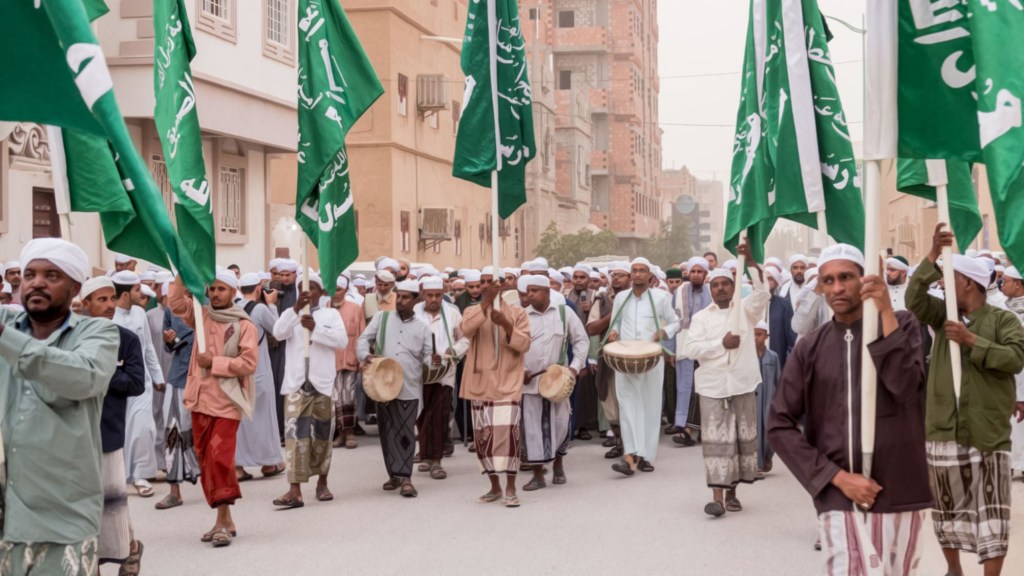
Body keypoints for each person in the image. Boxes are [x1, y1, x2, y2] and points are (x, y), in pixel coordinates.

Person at [770, 243, 932, 575]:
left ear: (865, 279)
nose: (838, 288)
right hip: (839, 495)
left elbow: (904, 388)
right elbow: (778, 424)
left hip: (900, 489)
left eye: (846, 277)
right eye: (828, 280)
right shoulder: (810, 348)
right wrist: (837, 478)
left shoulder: (901, 324)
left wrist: (885, 311)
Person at [906, 225, 1024, 576]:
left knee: (993, 515)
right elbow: (914, 297)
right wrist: (931, 254)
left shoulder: (1005, 319)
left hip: (988, 432)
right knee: (946, 512)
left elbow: (1016, 358)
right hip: (945, 429)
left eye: (947, 278)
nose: (941, 284)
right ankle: (954, 570)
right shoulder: (943, 316)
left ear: (968, 283)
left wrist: (972, 340)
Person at [0, 239, 119, 574]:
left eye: (52, 275)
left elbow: (83, 377)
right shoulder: (6, 324)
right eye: (30, 274)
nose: (37, 282)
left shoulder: (99, 333)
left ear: (75, 287)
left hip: (61, 518)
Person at [168, 270, 259, 548]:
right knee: (206, 459)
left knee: (220, 458)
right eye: (213, 289)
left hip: (227, 402)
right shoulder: (202, 314)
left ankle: (221, 521)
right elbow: (176, 304)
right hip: (199, 399)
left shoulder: (244, 326)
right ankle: (225, 518)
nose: (216, 294)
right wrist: (184, 271)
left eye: (222, 289)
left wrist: (214, 362)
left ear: (233, 292)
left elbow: (248, 363)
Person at [681, 241, 769, 516]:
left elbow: (763, 293)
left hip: (742, 383)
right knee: (717, 442)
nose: (720, 288)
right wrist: (722, 344)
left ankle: (733, 494)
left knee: (741, 442)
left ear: (733, 287)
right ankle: (717, 498)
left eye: (725, 284)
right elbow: (690, 349)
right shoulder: (700, 318)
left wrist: (751, 261)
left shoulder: (744, 310)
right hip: (712, 387)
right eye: (715, 284)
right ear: (710, 289)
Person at [81, 276, 147, 574]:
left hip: (108, 433)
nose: (109, 306)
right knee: (83, 506)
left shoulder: (127, 339)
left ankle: (130, 549)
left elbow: (135, 384)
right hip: (73, 435)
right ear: (85, 304)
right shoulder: (70, 338)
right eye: (101, 299)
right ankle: (90, 564)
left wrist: (104, 373)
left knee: (112, 503)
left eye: (111, 299)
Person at [272, 272, 348, 508]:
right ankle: (294, 490)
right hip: (296, 383)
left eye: (313, 287)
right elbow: (278, 333)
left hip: (322, 384)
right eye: (303, 288)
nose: (308, 292)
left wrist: (316, 329)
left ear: (321, 292)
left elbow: (341, 342)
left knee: (323, 435)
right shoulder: (290, 313)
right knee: (295, 437)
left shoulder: (331, 314)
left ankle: (322, 483)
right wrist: (295, 311)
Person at [357, 280, 434, 498]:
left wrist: (435, 361)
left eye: (406, 297)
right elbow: (364, 339)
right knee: (387, 430)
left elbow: (428, 357)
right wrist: (366, 356)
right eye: (398, 296)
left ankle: (406, 478)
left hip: (409, 385)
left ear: (416, 300)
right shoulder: (382, 318)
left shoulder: (422, 328)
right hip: (382, 385)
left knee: (406, 432)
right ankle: (393, 474)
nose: (400, 301)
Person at [459, 281, 531, 506]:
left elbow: (524, 343)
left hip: (508, 382)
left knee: (509, 438)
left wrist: (507, 325)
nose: (491, 286)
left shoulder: (518, 312)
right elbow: (466, 330)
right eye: (486, 283)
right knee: (484, 439)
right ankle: (494, 486)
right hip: (480, 382)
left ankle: (511, 487)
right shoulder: (472, 310)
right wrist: (487, 302)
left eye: (495, 283)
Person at [606, 257, 680, 475]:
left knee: (650, 406)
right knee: (627, 406)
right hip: (625, 360)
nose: (638, 274)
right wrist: (614, 332)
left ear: (650, 275)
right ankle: (630, 455)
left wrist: (664, 332)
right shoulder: (621, 298)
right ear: (631, 275)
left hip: (651, 359)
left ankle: (646, 456)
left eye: (642, 270)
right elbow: (615, 323)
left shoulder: (661, 298)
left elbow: (676, 321)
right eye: (634, 270)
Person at [520, 276, 589, 492]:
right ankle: (538, 474)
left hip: (558, 381)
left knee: (560, 425)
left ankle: (558, 463)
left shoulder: (563, 312)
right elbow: (511, 349)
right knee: (531, 429)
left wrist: (575, 367)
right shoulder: (521, 316)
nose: (529, 294)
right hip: (530, 383)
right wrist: (520, 371)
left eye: (534, 290)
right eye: (527, 290)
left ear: (547, 292)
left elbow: (581, 340)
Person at [110, 270, 166, 499]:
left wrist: (158, 376)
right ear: (125, 294)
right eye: (136, 289)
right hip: (114, 382)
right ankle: (120, 477)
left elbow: (148, 347)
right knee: (122, 430)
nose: (141, 293)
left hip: (140, 381)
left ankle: (141, 475)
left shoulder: (140, 313)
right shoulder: (108, 315)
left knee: (144, 428)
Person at [414, 276, 469, 479]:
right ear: (423, 294)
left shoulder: (452, 313)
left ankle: (436, 460)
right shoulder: (413, 312)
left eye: (438, 295)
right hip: (419, 373)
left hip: (445, 373)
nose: (434, 299)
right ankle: (426, 455)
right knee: (421, 415)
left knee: (439, 415)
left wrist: (452, 352)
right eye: (430, 295)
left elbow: (465, 339)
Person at [235, 273, 286, 480]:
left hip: (237, 371)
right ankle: (269, 463)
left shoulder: (232, 308)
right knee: (265, 418)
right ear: (258, 289)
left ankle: (237, 466)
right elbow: (278, 330)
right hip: (259, 370)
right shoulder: (260, 309)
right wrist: (272, 304)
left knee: (241, 421)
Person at [155, 290, 200, 511]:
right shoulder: (172, 310)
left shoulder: (209, 304)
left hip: (206, 379)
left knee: (203, 433)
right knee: (172, 432)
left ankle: (217, 489)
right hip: (178, 376)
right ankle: (174, 491)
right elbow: (168, 345)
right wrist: (170, 340)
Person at [586, 261, 631, 459]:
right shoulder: (602, 299)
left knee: (632, 405)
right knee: (611, 405)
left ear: (630, 278)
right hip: (609, 359)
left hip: (632, 360)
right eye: (614, 275)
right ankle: (620, 442)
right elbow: (591, 328)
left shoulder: (640, 299)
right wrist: (611, 317)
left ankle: (636, 448)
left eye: (621, 275)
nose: (616, 278)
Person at [670, 256, 712, 446]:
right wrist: (669, 350)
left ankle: (702, 427)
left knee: (704, 388)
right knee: (684, 386)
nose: (696, 275)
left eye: (699, 272)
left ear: (705, 274)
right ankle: (681, 423)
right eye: (693, 271)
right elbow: (671, 321)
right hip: (683, 343)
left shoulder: (712, 292)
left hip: (707, 345)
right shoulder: (679, 291)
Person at [332, 273, 367, 449]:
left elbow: (362, 334)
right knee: (336, 399)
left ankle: (350, 433)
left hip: (350, 358)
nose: (335, 293)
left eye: (338, 289)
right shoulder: (324, 308)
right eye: (332, 289)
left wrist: (361, 359)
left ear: (345, 290)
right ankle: (340, 434)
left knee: (349, 397)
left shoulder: (356, 308)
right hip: (330, 361)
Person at [567, 264, 598, 440]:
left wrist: (589, 309)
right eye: (576, 277)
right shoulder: (566, 296)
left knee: (586, 390)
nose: (578, 281)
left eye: (582, 277)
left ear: (587, 279)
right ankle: (571, 424)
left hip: (588, 344)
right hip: (571, 346)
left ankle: (584, 425)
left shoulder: (595, 296)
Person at [1000, 266, 1024, 479]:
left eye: (1006, 281)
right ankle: (1011, 462)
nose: (1002, 284)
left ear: (1018, 284)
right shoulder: (1001, 306)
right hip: (1009, 369)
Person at [752, 321, 779, 478]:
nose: (756, 338)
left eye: (759, 334)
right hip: (753, 398)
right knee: (755, 430)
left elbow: (778, 380)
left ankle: (767, 455)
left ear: (766, 336)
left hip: (769, 401)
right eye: (753, 334)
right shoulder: (747, 357)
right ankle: (757, 465)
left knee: (769, 430)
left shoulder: (773, 357)